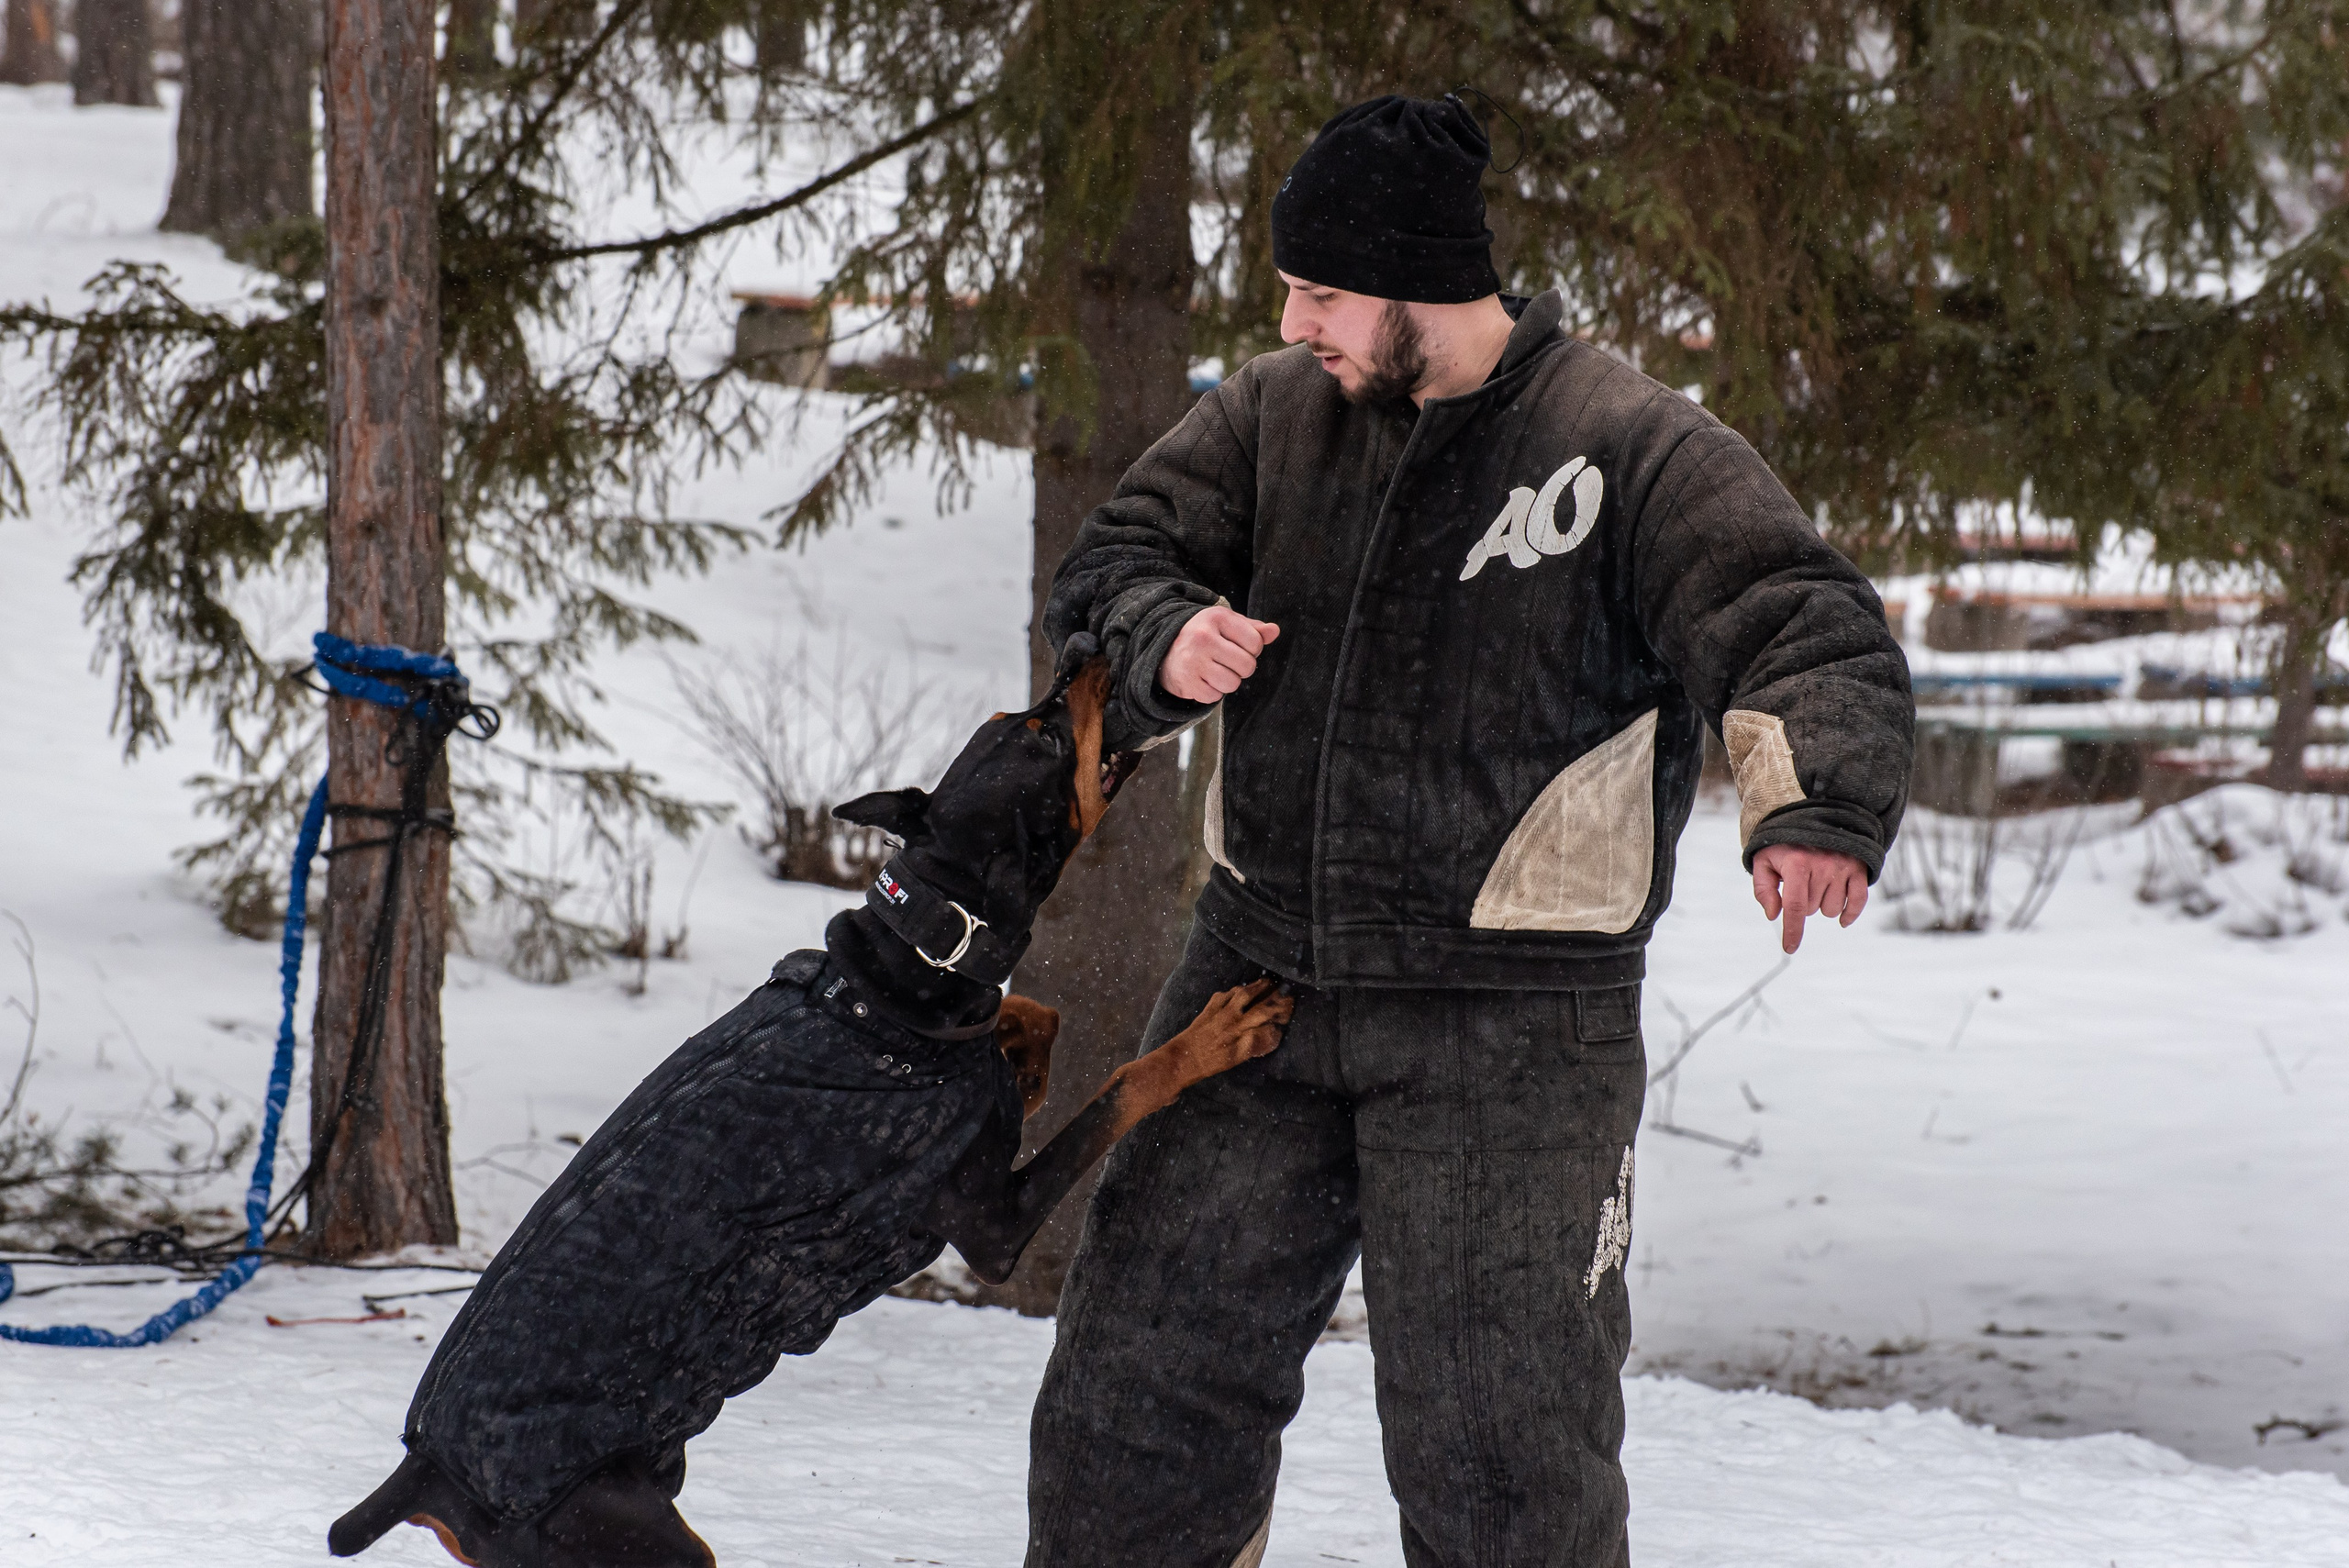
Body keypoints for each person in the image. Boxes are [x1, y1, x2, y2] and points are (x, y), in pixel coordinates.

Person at [1023, 94, 1913, 1568]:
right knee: (1135, 1394)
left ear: (1415, 281)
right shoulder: (1269, 414)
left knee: (1503, 1451)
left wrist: (1812, 804)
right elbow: (1120, 555)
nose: (1293, 318)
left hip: (1518, 1029)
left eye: (1320, 290)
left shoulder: (1628, 443)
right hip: (1257, 992)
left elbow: (1799, 621)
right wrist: (1164, 633)